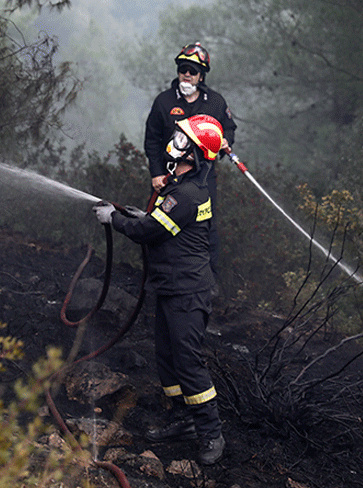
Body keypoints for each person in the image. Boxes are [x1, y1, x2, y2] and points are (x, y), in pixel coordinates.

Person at [94, 114, 226, 466]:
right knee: (167, 360)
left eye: (184, 139)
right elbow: (163, 223)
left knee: (188, 362)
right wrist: (142, 215)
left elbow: (149, 232)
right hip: (171, 287)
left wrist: (116, 220)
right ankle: (183, 420)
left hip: (187, 291)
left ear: (196, 154)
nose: (176, 141)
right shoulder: (180, 188)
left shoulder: (186, 193)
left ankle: (211, 433)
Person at [143, 42, 236, 276]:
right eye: (183, 68)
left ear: (201, 75)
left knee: (206, 226)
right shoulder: (163, 102)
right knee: (158, 223)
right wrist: (155, 173)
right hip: (168, 177)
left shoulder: (216, 102)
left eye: (193, 71)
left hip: (203, 178)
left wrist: (225, 140)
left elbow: (229, 128)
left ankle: (208, 278)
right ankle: (155, 274)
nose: (187, 74)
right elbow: (152, 140)